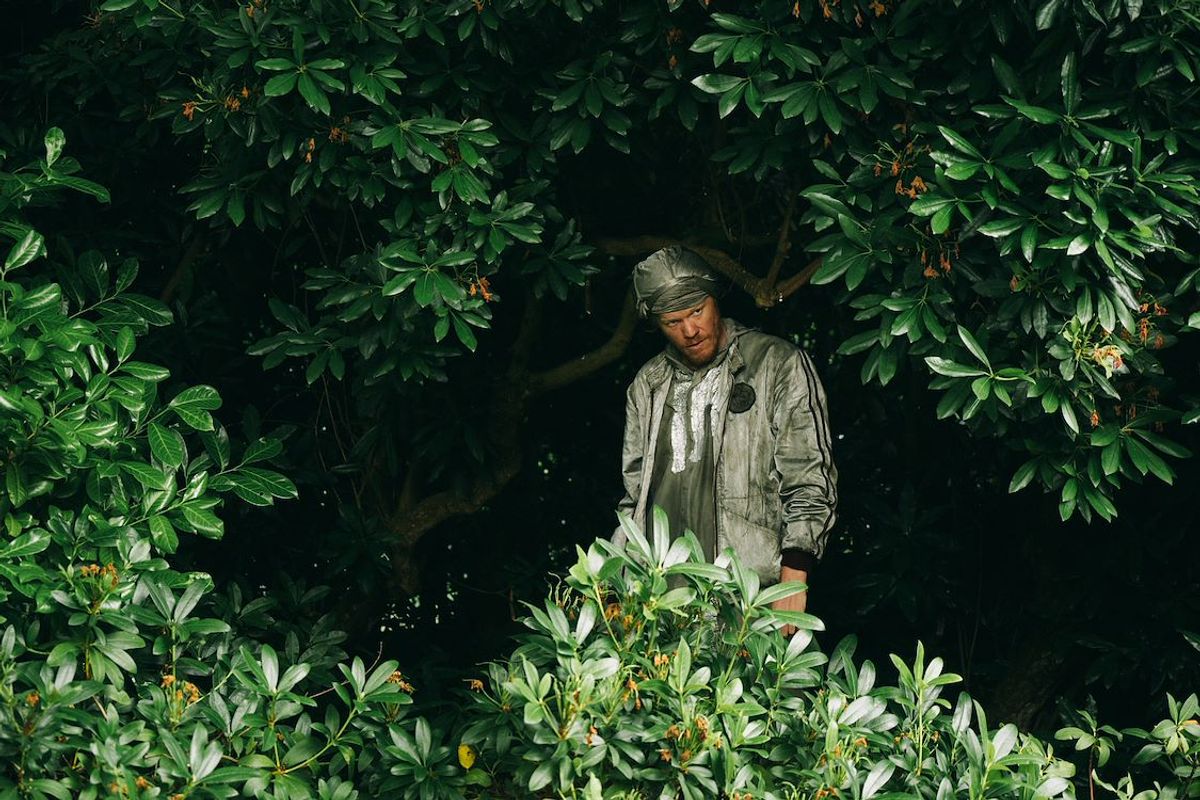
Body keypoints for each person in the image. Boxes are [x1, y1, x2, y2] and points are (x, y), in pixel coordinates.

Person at [614, 245, 837, 621]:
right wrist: (619, 583)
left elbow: (808, 476)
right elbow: (634, 498)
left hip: (749, 596)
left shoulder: (776, 364)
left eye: (696, 311)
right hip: (660, 603)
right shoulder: (647, 385)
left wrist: (795, 574)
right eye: (672, 322)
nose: (690, 330)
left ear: (714, 299)